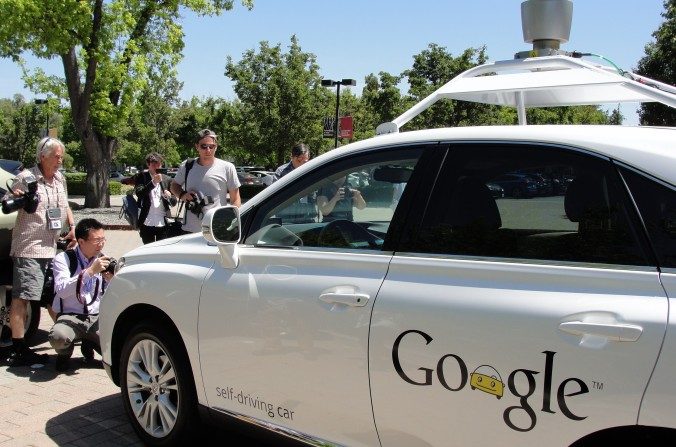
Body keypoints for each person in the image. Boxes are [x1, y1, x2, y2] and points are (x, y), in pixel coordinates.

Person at [2, 137, 76, 366]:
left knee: (53, 296)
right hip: (30, 246)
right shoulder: (27, 178)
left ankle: (67, 338)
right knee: (22, 298)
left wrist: (72, 227)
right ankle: (19, 348)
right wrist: (16, 195)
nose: (60, 161)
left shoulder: (60, 179)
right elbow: (8, 201)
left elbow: (65, 206)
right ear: (43, 156)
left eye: (61, 156)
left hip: (52, 246)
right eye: (56, 156)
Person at [49, 218, 114, 372]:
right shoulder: (63, 259)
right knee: (58, 337)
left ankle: (89, 342)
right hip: (71, 316)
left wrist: (111, 281)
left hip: (95, 317)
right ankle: (65, 353)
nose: (101, 244)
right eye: (97, 240)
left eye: (103, 239)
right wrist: (90, 272)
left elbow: (108, 296)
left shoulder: (103, 260)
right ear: (81, 241)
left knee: (117, 349)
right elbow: (62, 290)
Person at [170, 129, 241, 234]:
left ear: (216, 147)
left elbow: (235, 199)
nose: (208, 150)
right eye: (204, 146)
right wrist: (183, 195)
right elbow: (174, 185)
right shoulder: (187, 165)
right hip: (190, 230)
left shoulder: (227, 167)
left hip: (217, 230)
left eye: (211, 146)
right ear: (197, 146)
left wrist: (230, 220)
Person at [133, 152, 176, 244]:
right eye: (153, 163)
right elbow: (139, 193)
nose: (157, 166)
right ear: (148, 164)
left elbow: (174, 202)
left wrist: (169, 197)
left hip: (163, 222)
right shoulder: (141, 177)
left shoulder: (167, 179)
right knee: (148, 249)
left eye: (159, 163)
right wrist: (153, 182)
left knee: (161, 250)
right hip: (146, 221)